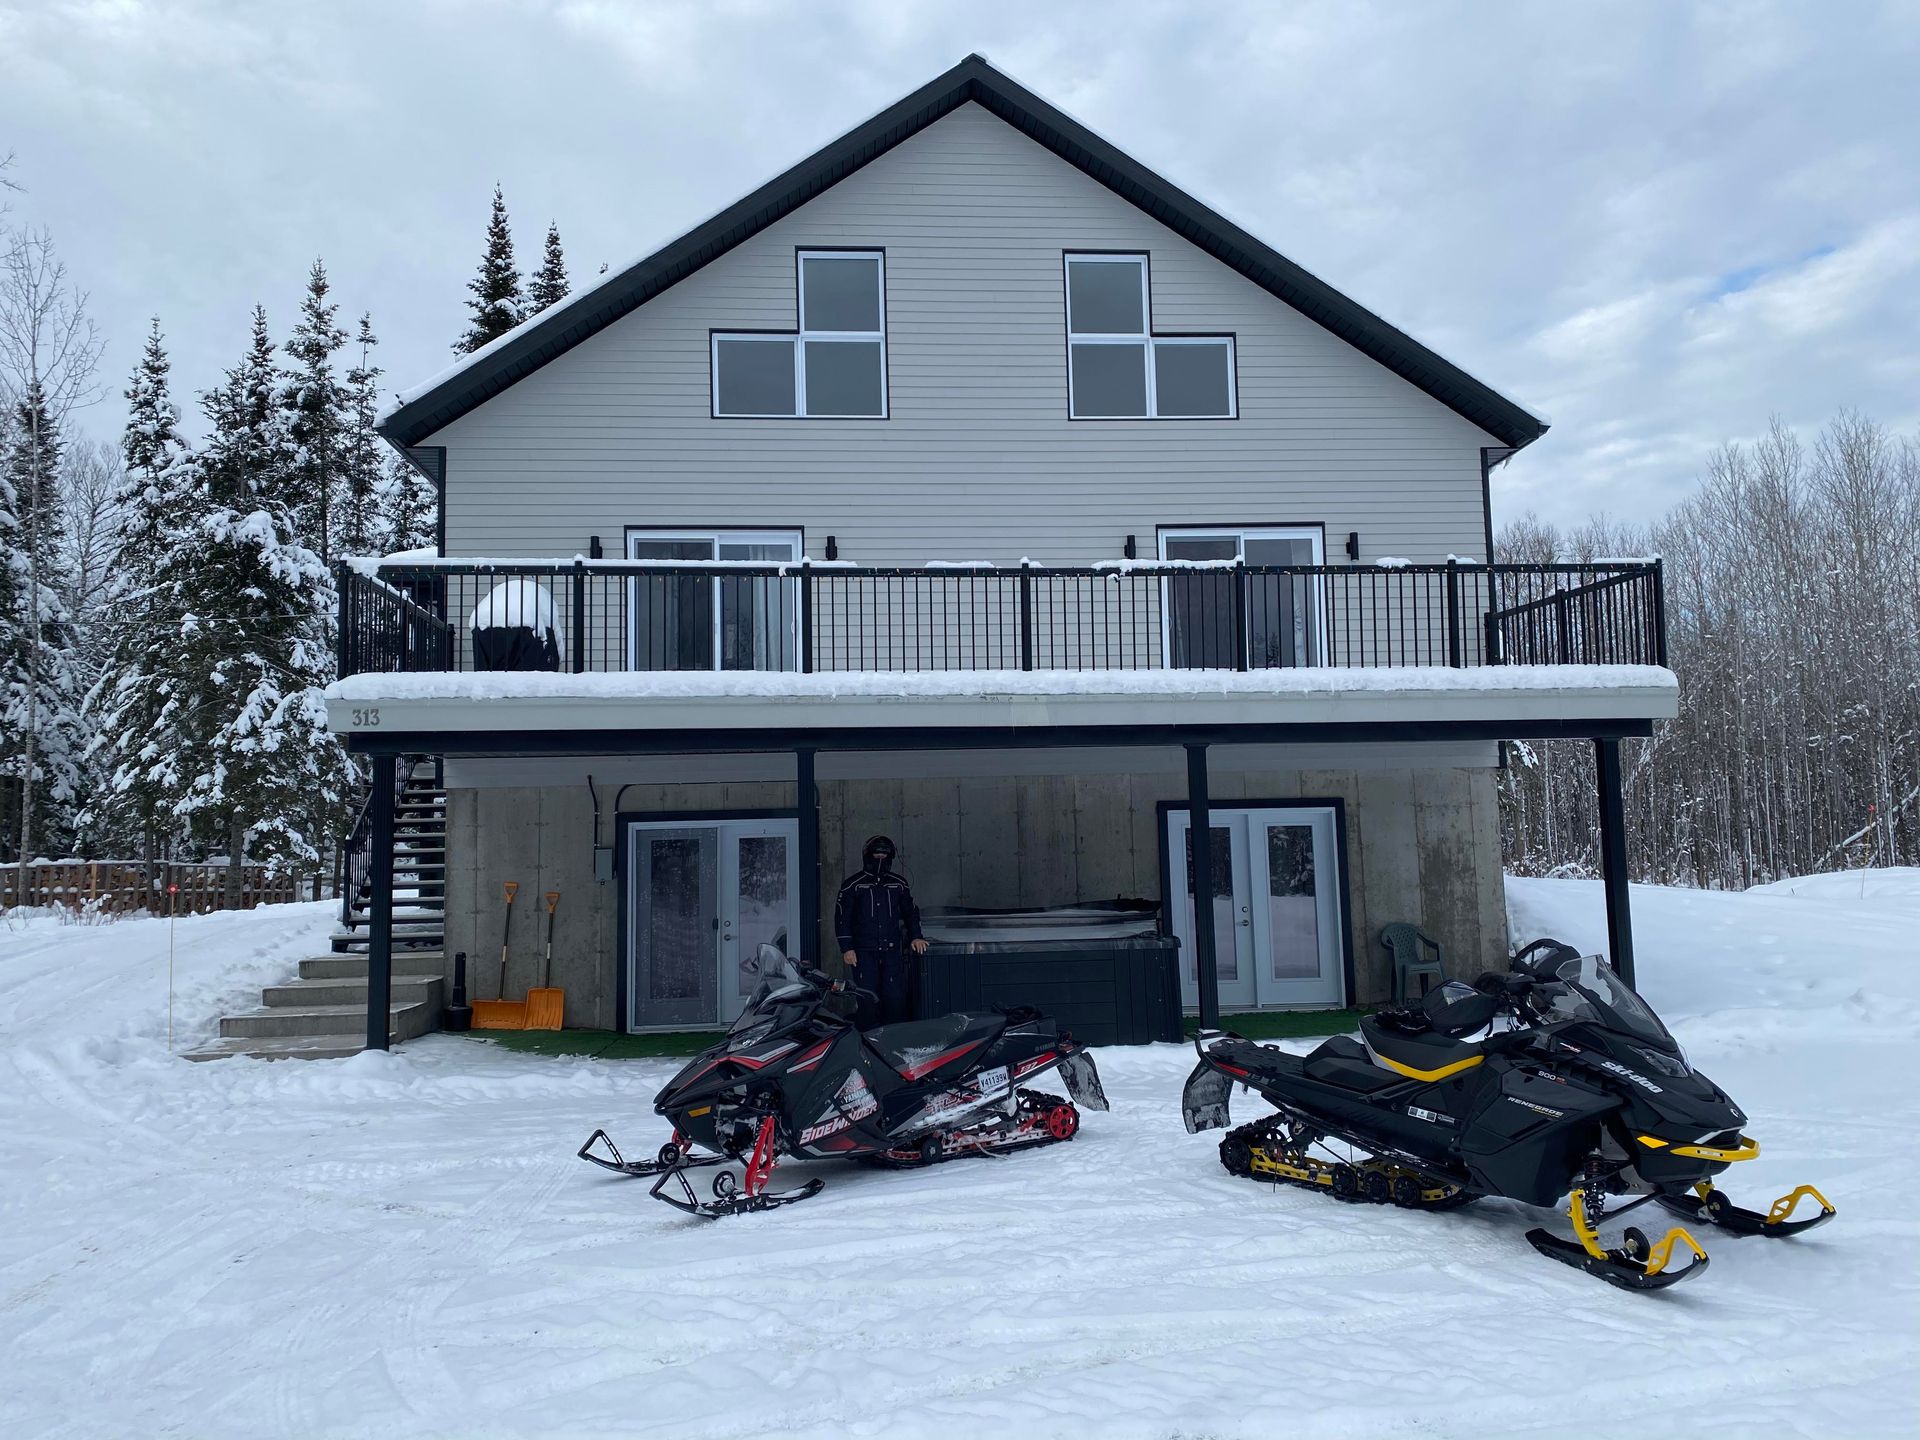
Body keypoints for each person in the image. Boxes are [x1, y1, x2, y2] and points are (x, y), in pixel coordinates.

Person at [833, 834, 927, 1028]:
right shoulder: (853, 885)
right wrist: (846, 948)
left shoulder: (898, 884)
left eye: (884, 857)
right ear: (868, 856)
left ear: (891, 858)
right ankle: (867, 1038)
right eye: (876, 856)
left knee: (895, 997)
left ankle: (894, 1039)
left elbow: (910, 913)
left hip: (892, 952)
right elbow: (843, 918)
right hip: (863, 953)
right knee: (867, 997)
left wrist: (916, 936)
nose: (880, 860)